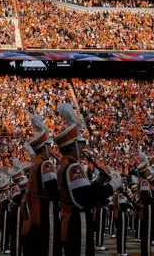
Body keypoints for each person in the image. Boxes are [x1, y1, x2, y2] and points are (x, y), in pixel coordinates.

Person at [54, 103, 114, 256]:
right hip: (76, 222)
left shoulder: (67, 164)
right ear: (74, 145)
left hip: (72, 220)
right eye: (80, 144)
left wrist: (99, 180)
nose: (83, 148)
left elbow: (83, 192)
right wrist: (112, 186)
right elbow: (86, 199)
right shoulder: (73, 166)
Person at [23, 113, 60, 256]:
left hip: (38, 209)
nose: (51, 150)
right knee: (50, 245)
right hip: (46, 211)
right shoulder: (45, 164)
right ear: (44, 148)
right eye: (49, 146)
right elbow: (53, 191)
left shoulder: (36, 164)